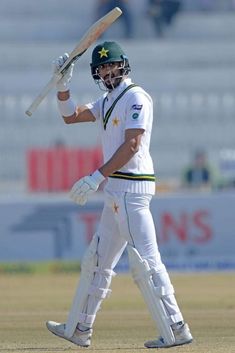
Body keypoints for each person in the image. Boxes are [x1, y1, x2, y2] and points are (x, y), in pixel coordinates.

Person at [46, 41, 193, 349]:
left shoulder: (136, 97)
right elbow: (71, 116)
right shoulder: (107, 99)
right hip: (116, 191)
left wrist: (96, 176)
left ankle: (176, 328)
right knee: (97, 262)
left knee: (146, 262)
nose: (107, 71)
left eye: (111, 66)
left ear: (123, 65)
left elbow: (132, 145)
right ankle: (79, 328)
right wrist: (63, 85)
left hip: (131, 188)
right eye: (101, 68)